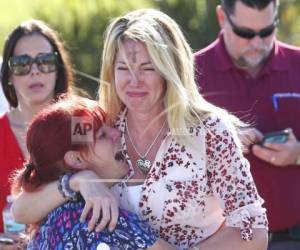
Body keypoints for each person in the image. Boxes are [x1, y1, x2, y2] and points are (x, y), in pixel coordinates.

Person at [12, 9, 268, 249]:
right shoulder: (95, 123)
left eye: (148, 68)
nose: (134, 81)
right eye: (123, 68)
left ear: (171, 70)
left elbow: (253, 231)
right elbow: (22, 209)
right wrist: (78, 181)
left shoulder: (210, 130)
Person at [194, 0, 300, 249]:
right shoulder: (190, 73)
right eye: (245, 33)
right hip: (221, 242)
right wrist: (221, 143)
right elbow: (158, 152)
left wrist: (297, 154)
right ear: (222, 18)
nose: (257, 43)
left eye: (266, 31)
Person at [11, 95, 172, 250]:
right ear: (77, 160)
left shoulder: (51, 215)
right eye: (102, 135)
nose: (117, 133)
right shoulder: (100, 218)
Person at [0, 18, 74, 236]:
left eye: (45, 61)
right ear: (9, 75)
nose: (35, 71)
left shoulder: (83, 124)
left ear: (58, 69)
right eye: (22, 64)